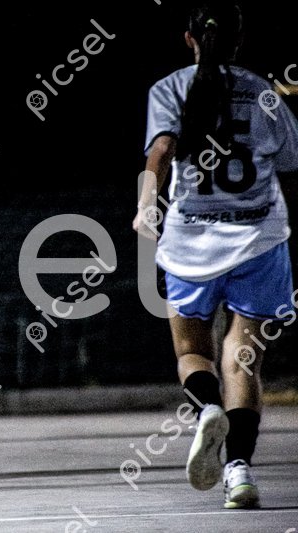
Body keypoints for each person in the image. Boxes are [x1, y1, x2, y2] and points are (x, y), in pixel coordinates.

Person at [133, 1, 298, 509]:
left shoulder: (169, 88)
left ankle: (207, 409)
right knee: (243, 362)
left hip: (190, 241)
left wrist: (146, 206)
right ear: (239, 41)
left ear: (189, 39)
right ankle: (239, 473)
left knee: (191, 354)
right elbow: (289, 161)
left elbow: (160, 151)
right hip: (258, 240)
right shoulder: (265, 92)